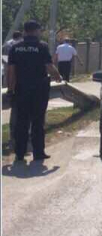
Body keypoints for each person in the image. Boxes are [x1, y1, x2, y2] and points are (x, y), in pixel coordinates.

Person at [6, 20, 62, 162]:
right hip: (39, 90)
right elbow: (49, 66)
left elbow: (11, 71)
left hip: (21, 90)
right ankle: (38, 153)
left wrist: (11, 88)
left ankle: (19, 153)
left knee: (21, 122)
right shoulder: (41, 46)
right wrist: (58, 76)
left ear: (25, 31)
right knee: (37, 121)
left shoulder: (15, 48)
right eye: (39, 30)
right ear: (36, 31)